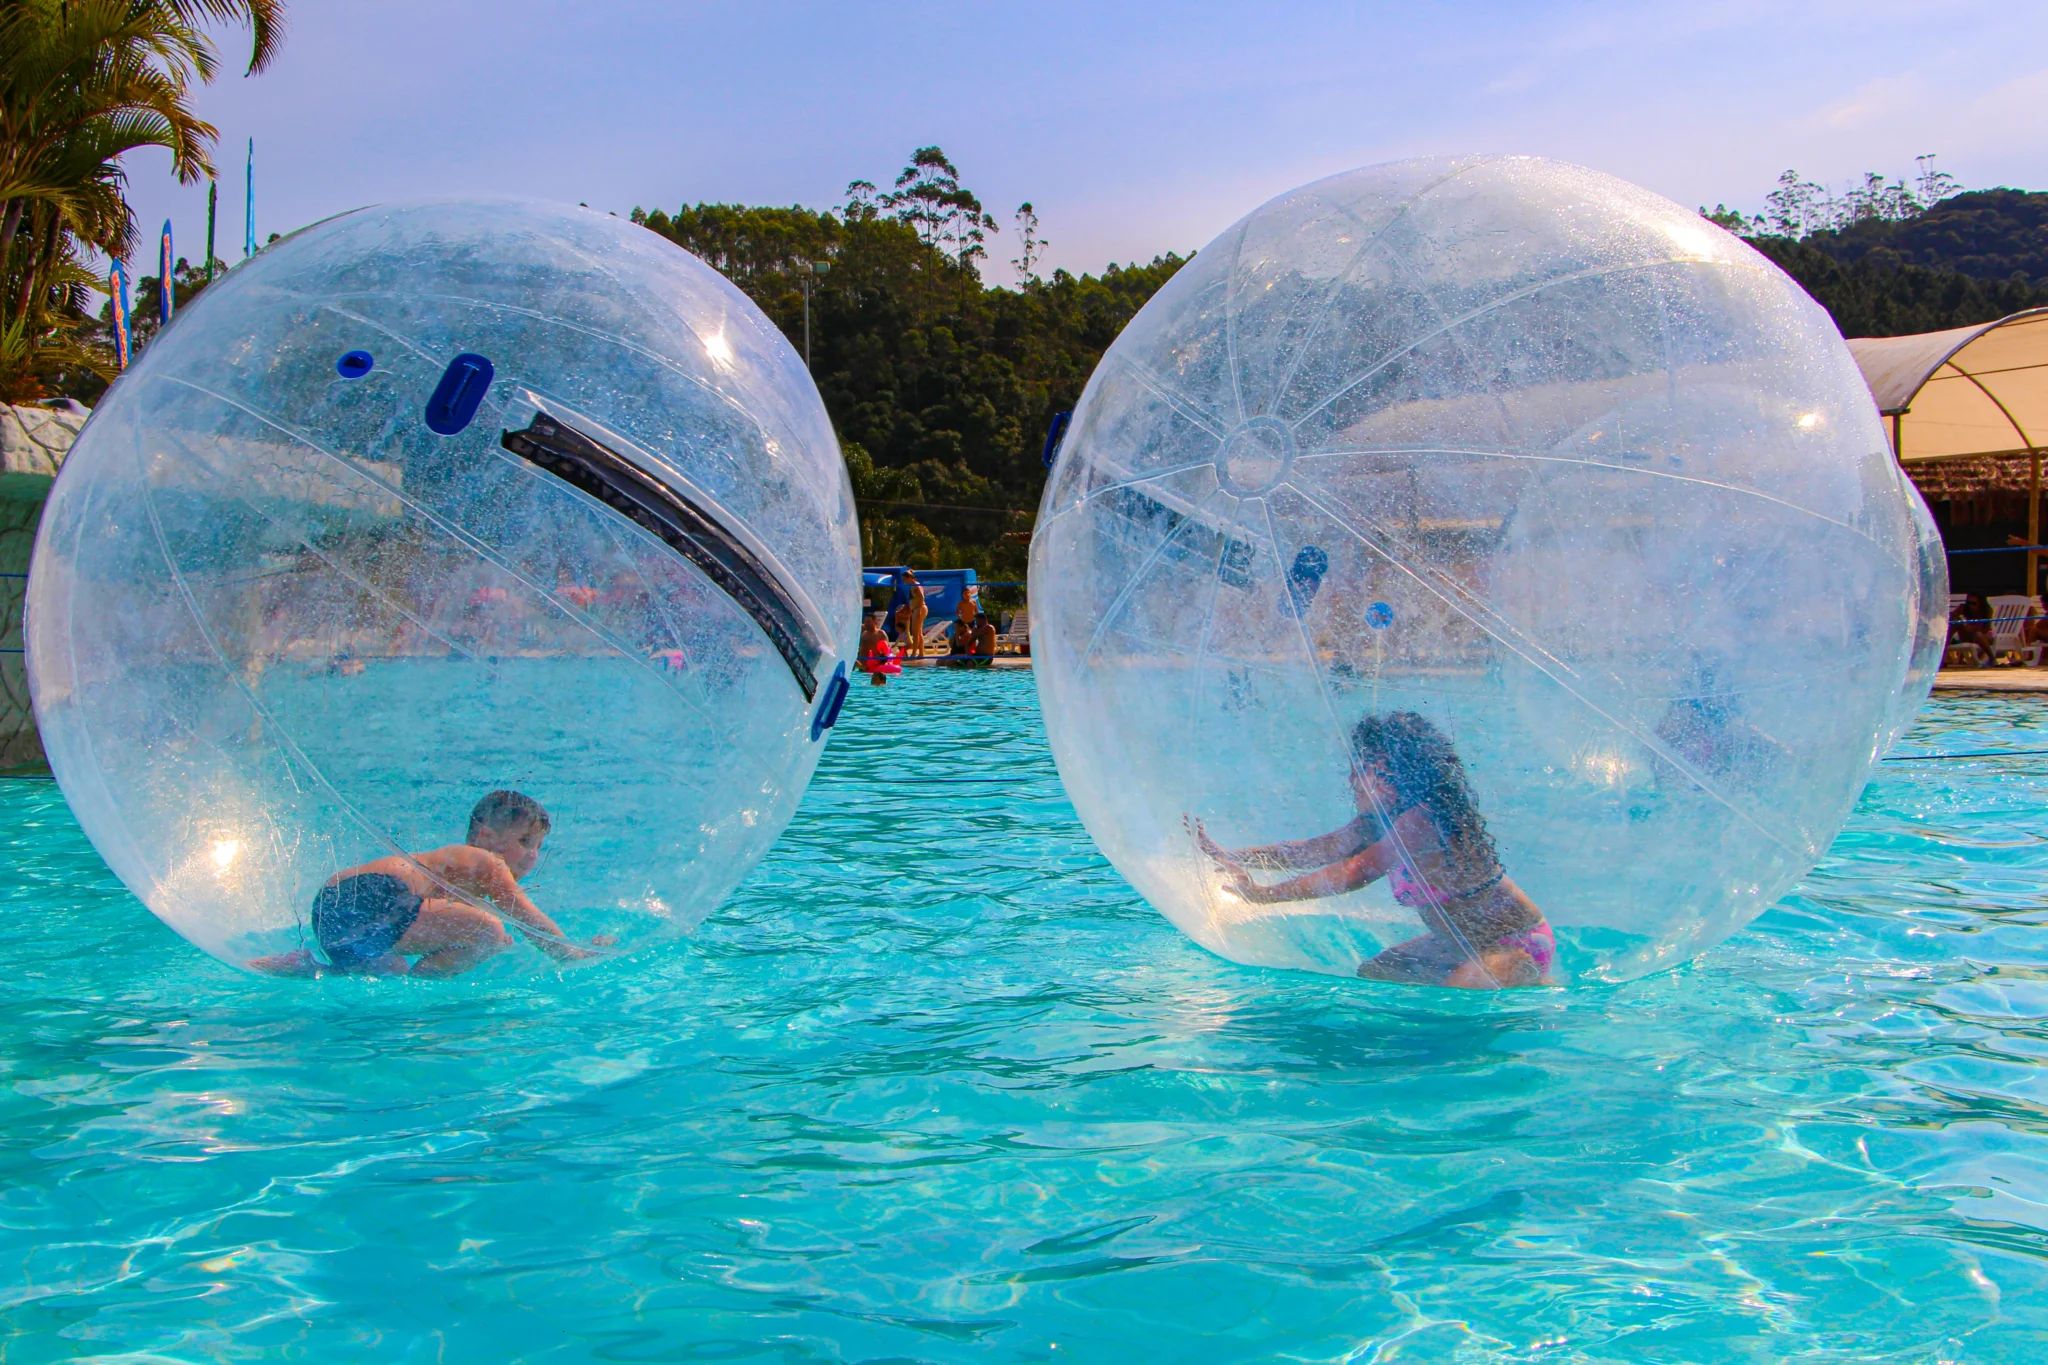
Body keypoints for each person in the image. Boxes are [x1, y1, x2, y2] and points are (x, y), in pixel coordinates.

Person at [1191, 711, 1553, 989]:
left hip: (1513, 942)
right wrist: (1232, 856)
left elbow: (1354, 872)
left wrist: (1262, 895)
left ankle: (1525, 975)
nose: (1352, 780)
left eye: (1364, 769)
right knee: (1377, 971)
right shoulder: (1379, 821)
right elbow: (1315, 850)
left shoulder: (1423, 819)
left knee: (1460, 999)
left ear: (1399, 774)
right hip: (1456, 943)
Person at [250, 790, 609, 978]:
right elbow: (524, 915)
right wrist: (573, 953)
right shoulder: (485, 860)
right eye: (526, 842)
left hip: (331, 907)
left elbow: (443, 923)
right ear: (486, 837)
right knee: (488, 930)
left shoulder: (451, 876)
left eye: (539, 847)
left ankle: (304, 968)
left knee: (390, 970)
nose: (533, 856)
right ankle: (425, 994)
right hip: (378, 895)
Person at [1950, 594, 1995, 662]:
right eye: (1968, 603)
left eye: (1974, 603)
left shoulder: (1987, 610)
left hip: (1984, 637)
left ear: (1980, 603)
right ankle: (1944, 650)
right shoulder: (1966, 608)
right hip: (1969, 636)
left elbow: (1986, 630)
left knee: (1978, 635)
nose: (1970, 605)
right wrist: (1957, 612)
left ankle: (1992, 658)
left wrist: (1973, 628)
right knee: (1957, 621)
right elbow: (1949, 618)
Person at [858, 612, 900, 685]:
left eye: (869, 622)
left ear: (875, 622)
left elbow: (887, 650)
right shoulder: (863, 634)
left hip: (874, 666)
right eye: (865, 622)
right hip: (862, 666)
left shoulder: (880, 634)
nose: (866, 624)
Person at [903, 570, 928, 659]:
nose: (904, 581)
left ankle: (913, 654)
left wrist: (919, 610)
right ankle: (921, 653)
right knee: (919, 632)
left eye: (905, 579)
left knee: (915, 633)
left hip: (919, 609)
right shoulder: (912, 586)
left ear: (910, 577)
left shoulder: (915, 585)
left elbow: (921, 597)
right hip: (916, 609)